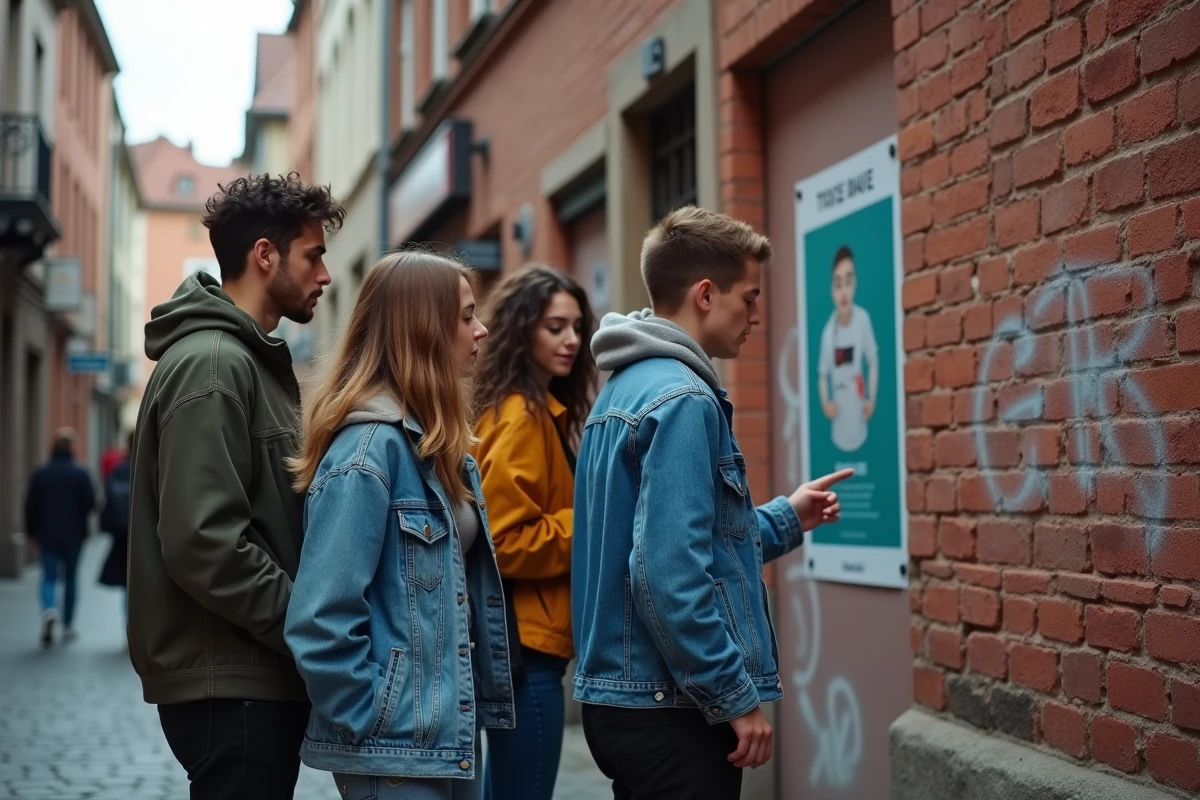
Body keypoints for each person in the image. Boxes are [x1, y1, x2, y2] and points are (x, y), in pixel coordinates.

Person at [572, 206, 853, 799]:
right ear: (705, 294)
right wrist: (734, 696)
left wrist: (788, 517)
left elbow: (684, 541)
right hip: (671, 710)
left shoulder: (620, 389)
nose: (756, 316)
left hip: (622, 701)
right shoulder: (683, 399)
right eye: (748, 298)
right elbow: (669, 573)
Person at [126, 172, 344, 799]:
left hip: (246, 673)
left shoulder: (246, 359)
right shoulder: (215, 363)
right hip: (231, 680)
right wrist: (306, 626)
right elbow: (204, 541)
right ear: (265, 254)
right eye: (313, 256)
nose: (325, 276)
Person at [284, 251, 514, 800]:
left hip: (447, 737)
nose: (481, 330)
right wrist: (374, 717)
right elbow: (321, 620)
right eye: (466, 316)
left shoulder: (437, 449)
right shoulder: (368, 453)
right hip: (394, 750)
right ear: (423, 329)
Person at [472, 265, 597, 800]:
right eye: (554, 327)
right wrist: (590, 520)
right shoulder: (523, 414)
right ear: (521, 331)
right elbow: (502, 540)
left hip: (524, 646)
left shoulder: (534, 408)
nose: (571, 340)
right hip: (526, 651)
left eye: (577, 327)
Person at [24, 427, 95, 647]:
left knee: (48, 576)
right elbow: (91, 503)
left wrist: (31, 532)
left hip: (47, 533)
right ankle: (68, 625)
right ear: (72, 447)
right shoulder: (80, 473)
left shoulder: (41, 473)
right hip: (74, 534)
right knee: (71, 578)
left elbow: (30, 506)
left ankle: (49, 609)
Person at [818, 245, 879, 453]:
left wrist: (871, 398)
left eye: (848, 282)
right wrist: (826, 402)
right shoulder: (828, 332)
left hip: (860, 424)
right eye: (838, 284)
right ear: (831, 289)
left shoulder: (863, 320)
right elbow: (823, 374)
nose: (843, 291)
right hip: (839, 429)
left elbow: (873, 359)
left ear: (855, 284)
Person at [98, 433, 133, 615]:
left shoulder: (118, 470)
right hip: (151, 536)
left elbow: (109, 501)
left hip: (123, 533)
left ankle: (129, 624)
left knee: (128, 582)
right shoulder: (158, 468)